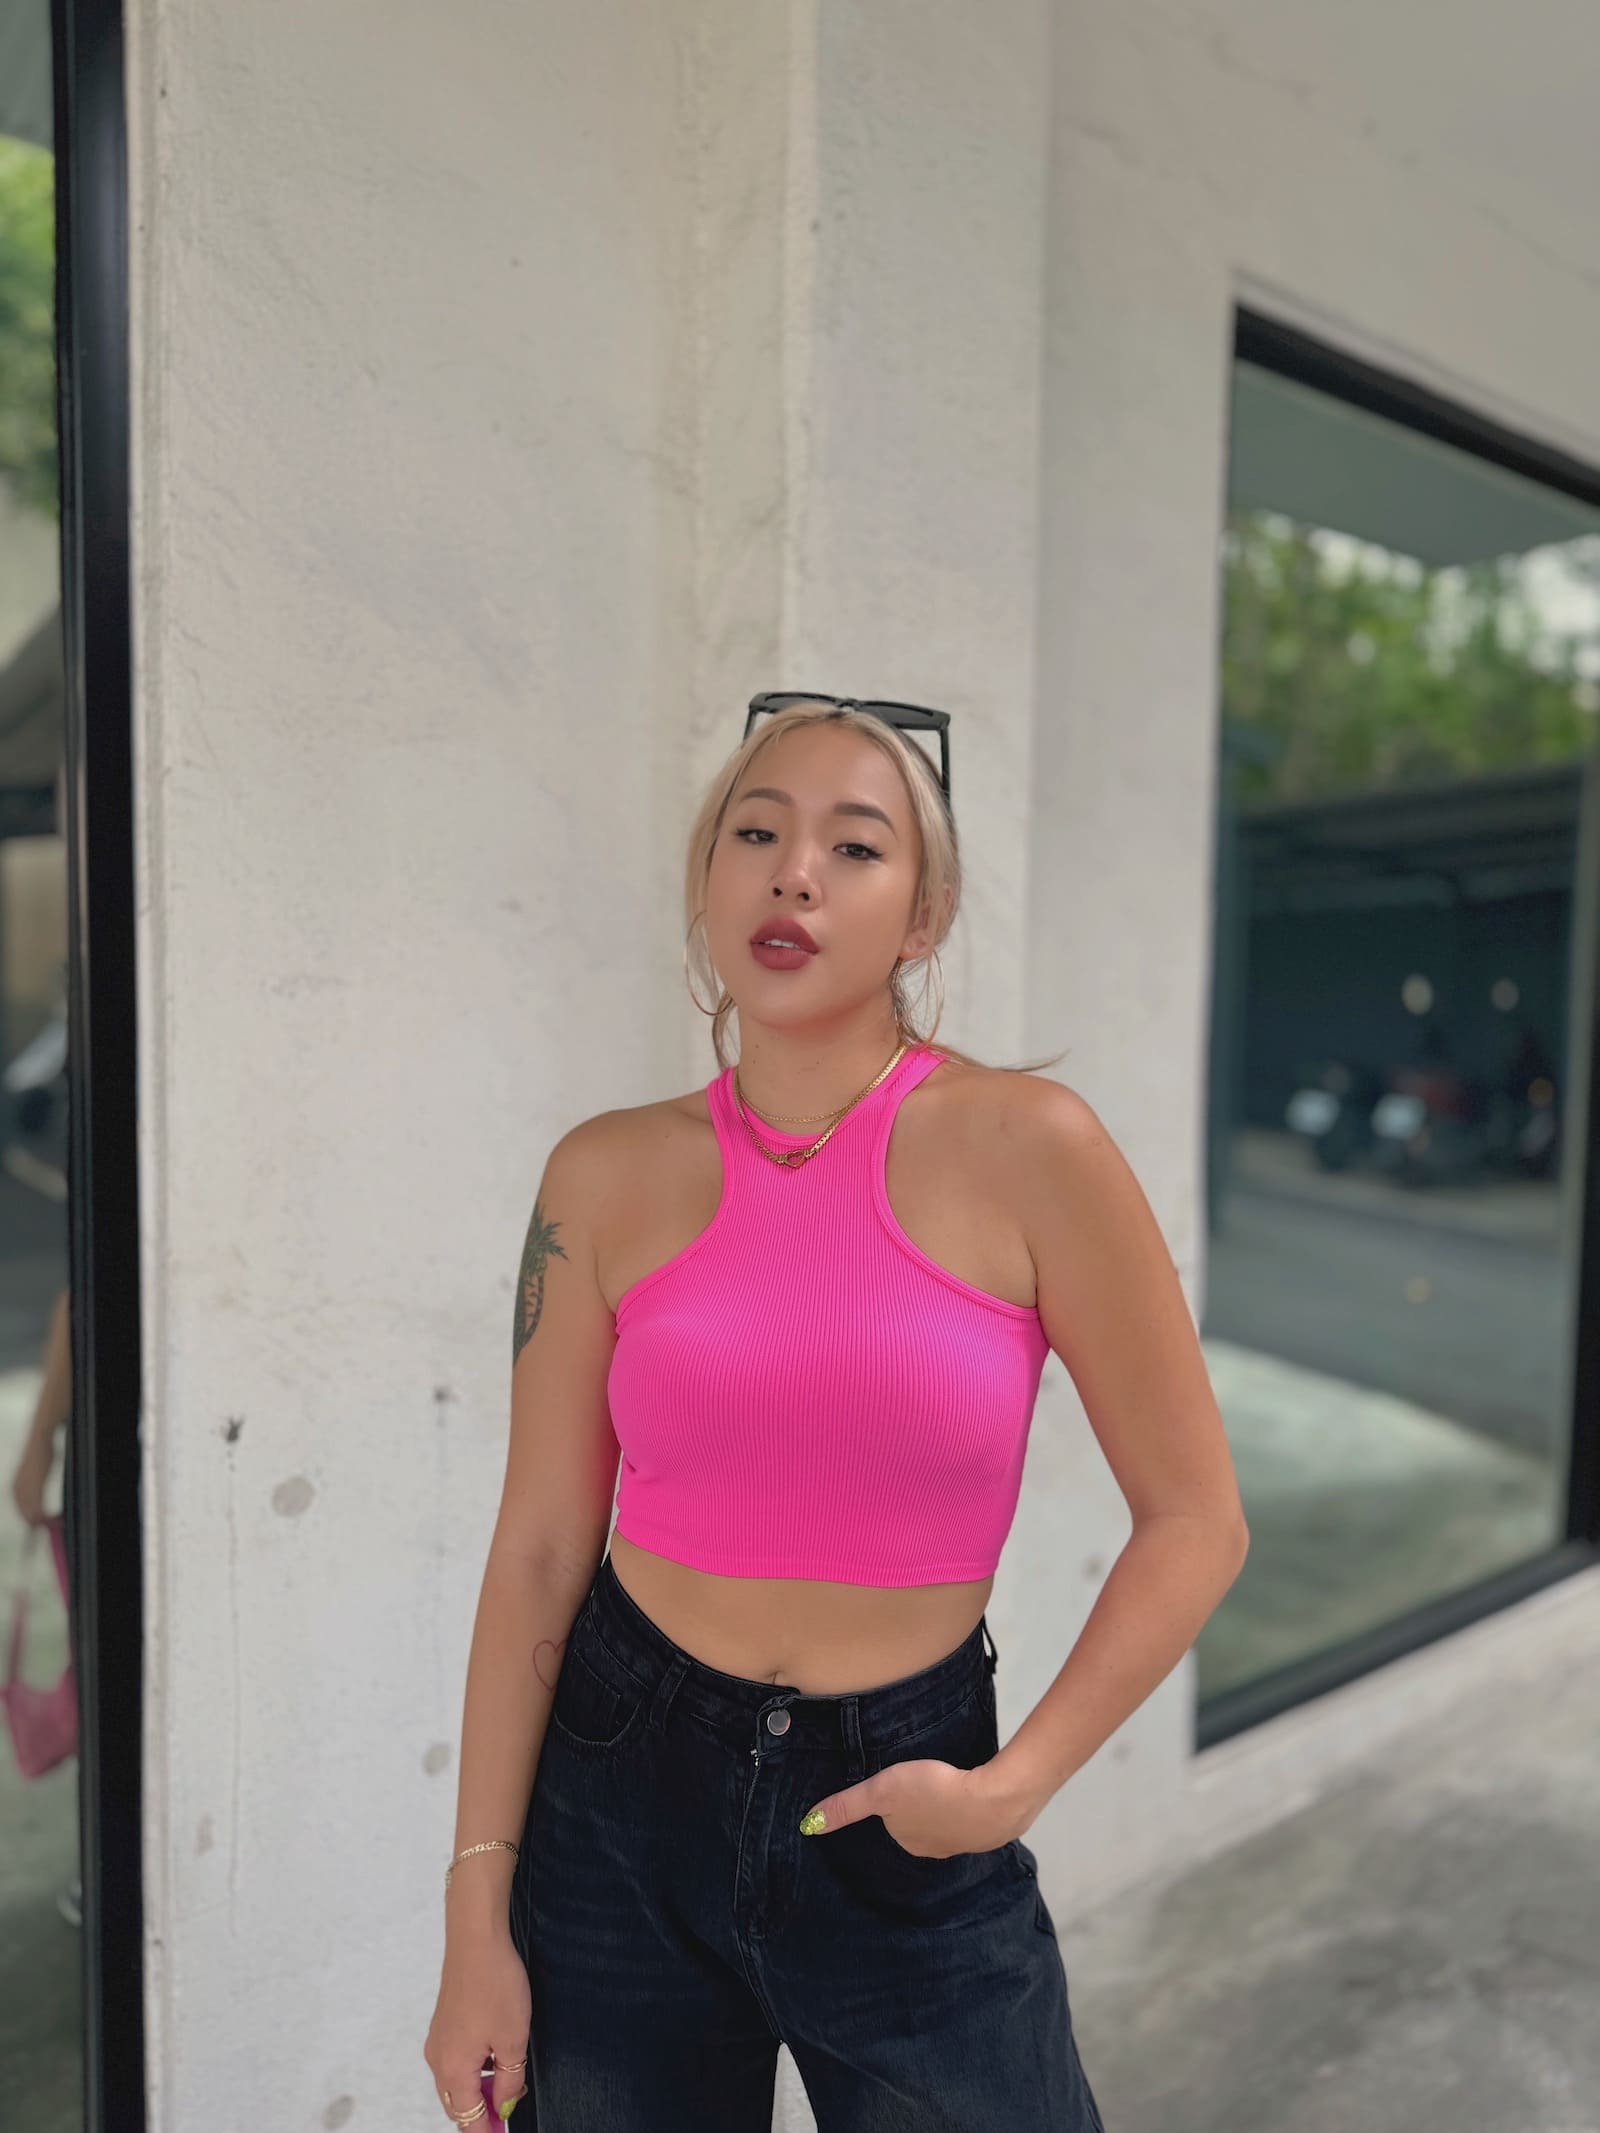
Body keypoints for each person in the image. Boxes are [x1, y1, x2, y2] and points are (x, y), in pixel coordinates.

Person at [423, 697, 1250, 2129]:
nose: (794, 873)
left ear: (923, 916)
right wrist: (474, 1920)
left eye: (854, 846)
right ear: (708, 880)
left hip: (908, 1802)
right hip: (619, 1800)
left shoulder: (1032, 1148)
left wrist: (1013, 1787)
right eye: (757, 832)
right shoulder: (602, 1174)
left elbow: (1196, 1520)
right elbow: (545, 1543)